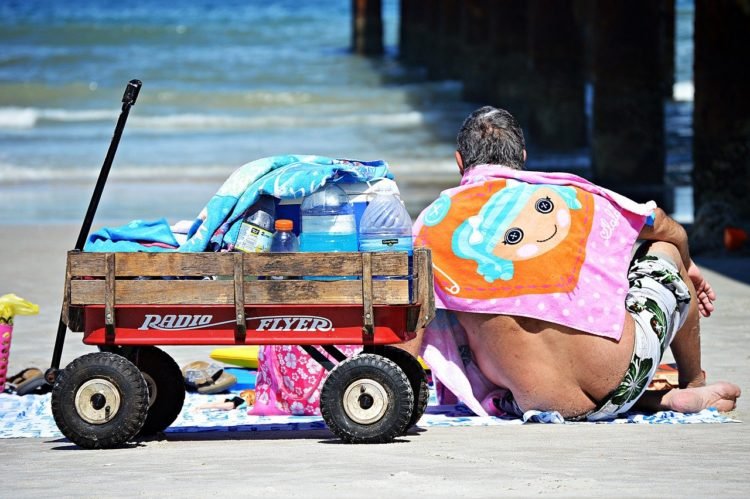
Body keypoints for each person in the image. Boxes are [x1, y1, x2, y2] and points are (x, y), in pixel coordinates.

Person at [404, 106, 740, 420]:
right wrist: (686, 262)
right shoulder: (575, 197)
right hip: (626, 376)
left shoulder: (433, 223)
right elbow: (661, 223)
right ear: (522, 158)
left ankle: (656, 399)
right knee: (663, 247)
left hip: (536, 402)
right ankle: (692, 383)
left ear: (460, 162)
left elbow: (412, 315)